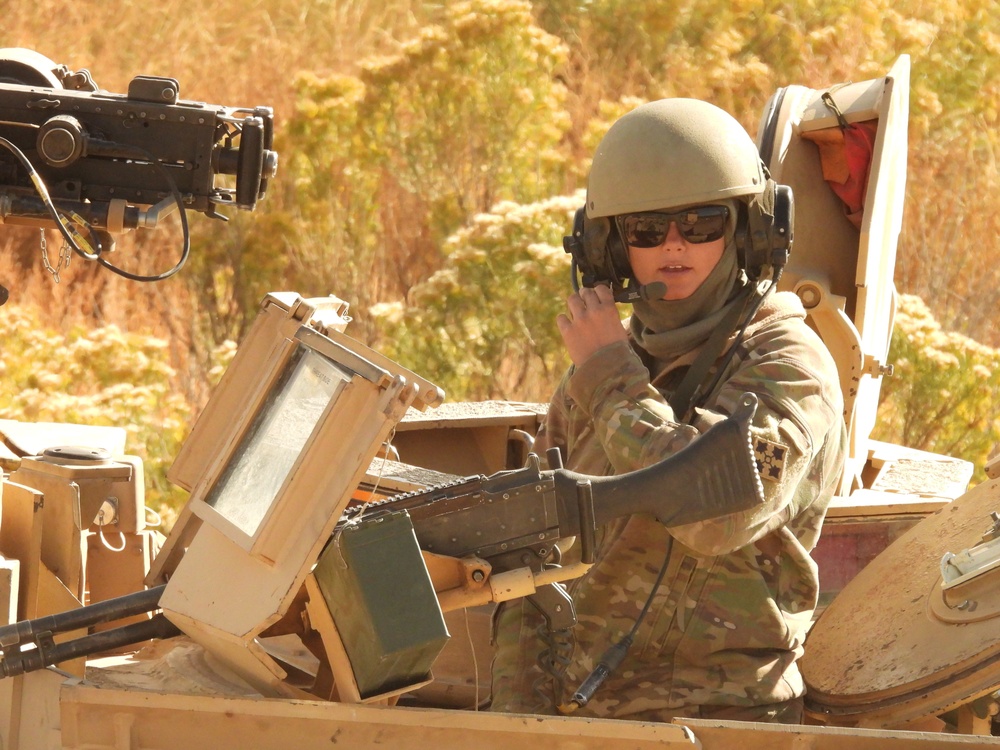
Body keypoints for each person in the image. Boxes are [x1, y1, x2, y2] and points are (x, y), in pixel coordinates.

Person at [490, 98, 847, 724]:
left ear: (749, 230)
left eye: (702, 223)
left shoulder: (788, 362)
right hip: (585, 721)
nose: (674, 245)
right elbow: (531, 569)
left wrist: (608, 378)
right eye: (647, 231)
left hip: (723, 721)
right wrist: (513, 726)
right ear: (609, 247)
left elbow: (715, 516)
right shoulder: (606, 364)